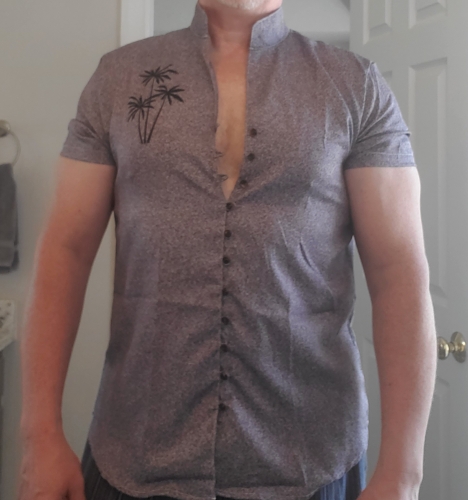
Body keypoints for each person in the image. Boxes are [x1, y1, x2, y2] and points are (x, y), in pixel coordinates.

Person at [17, 0, 437, 499]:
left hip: (310, 460)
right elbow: (64, 251)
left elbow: (398, 274)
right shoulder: (119, 78)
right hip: (136, 455)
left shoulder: (356, 85)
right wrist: (40, 436)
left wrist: (403, 472)